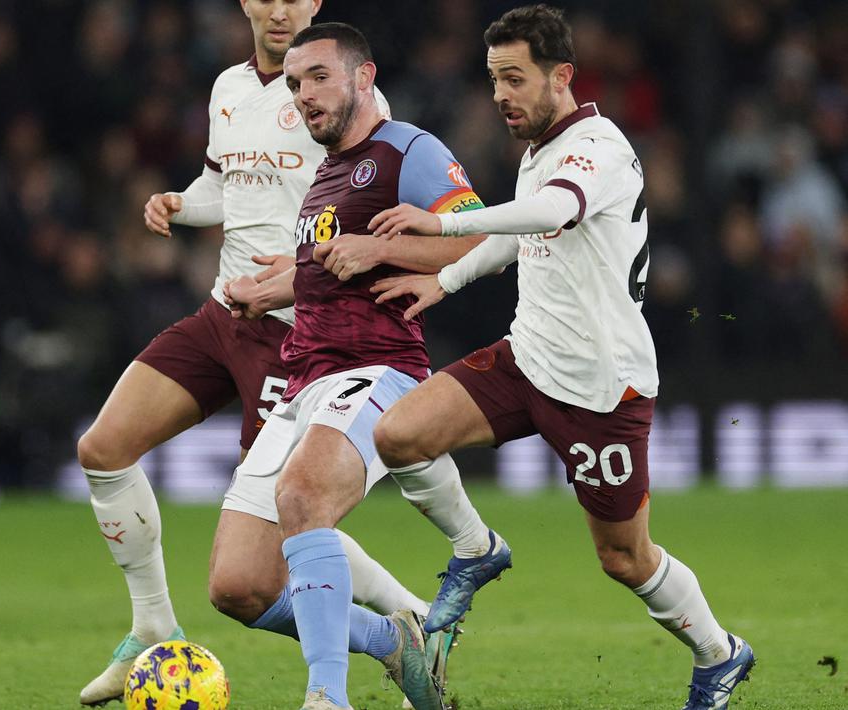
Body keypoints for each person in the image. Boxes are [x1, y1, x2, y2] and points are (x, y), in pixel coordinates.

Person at [367, 6, 755, 709]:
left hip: (601, 390)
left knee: (623, 558)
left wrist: (441, 223)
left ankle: (719, 653)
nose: (500, 95)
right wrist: (445, 279)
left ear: (561, 76)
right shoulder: (539, 148)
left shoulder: (595, 147)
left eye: (514, 78)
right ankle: (475, 548)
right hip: (526, 358)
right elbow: (523, 232)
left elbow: (551, 213)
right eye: (492, 81)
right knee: (398, 435)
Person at [77, 2, 444, 705]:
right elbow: (228, 187)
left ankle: (414, 619)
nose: (278, 9)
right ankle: (152, 625)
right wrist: (180, 205)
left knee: (287, 520)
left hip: (296, 328)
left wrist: (303, 263)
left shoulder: (340, 93)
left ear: (314, 5)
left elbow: (370, 195)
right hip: (223, 311)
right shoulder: (228, 88)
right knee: (104, 447)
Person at [220, 22, 487, 710]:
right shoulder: (325, 176)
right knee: (238, 586)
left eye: (318, 77)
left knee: (304, 500)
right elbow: (330, 271)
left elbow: (486, 239)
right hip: (303, 380)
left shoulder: (407, 150)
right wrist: (268, 290)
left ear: (363, 77)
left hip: (378, 369)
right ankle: (393, 639)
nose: (303, 95)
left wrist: (379, 250)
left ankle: (324, 698)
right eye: (293, 84)